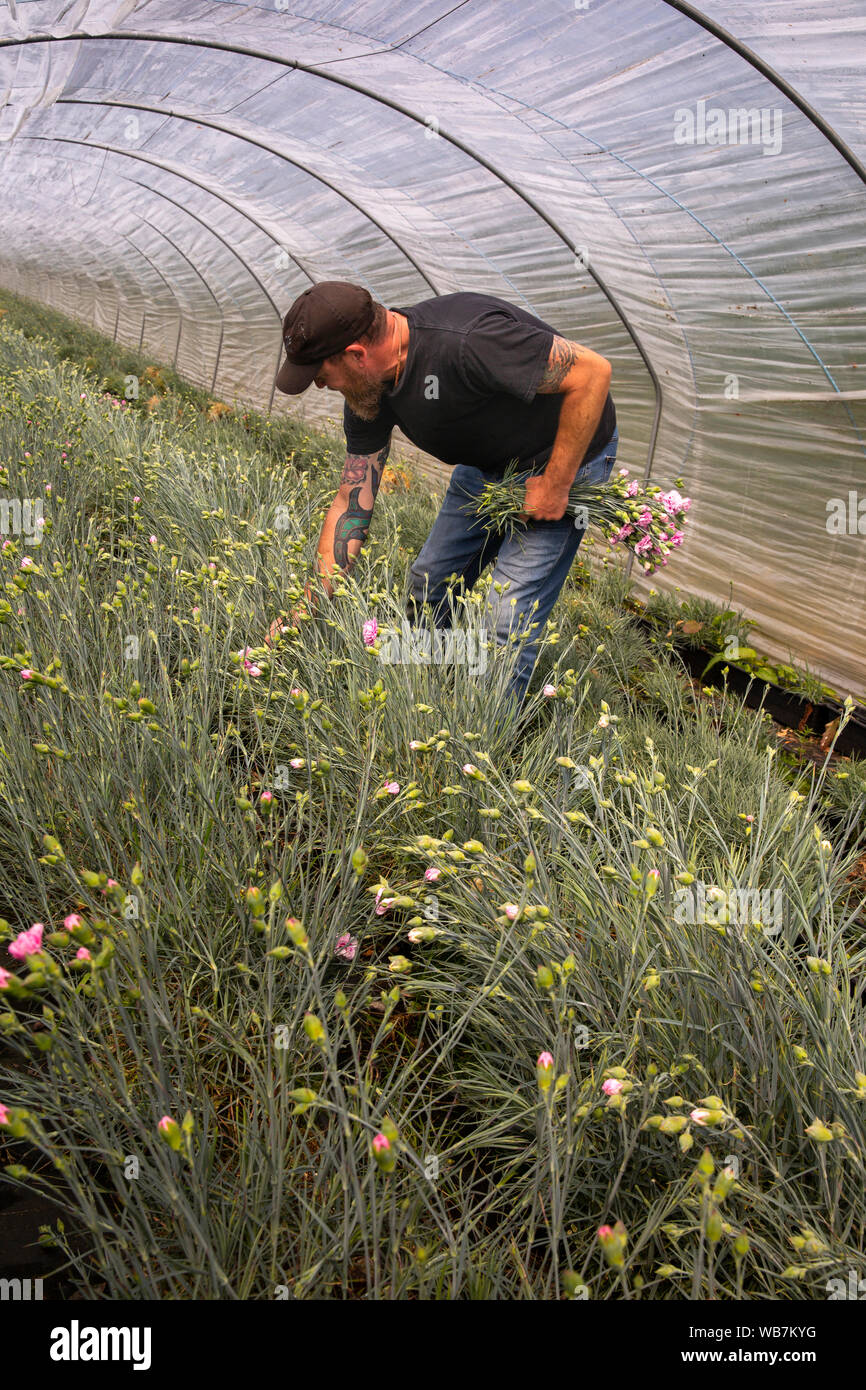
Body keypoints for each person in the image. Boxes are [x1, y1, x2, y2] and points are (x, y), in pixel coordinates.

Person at [268, 280, 617, 703]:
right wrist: (308, 604)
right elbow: (350, 503)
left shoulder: (467, 341)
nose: (323, 387)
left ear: (356, 355)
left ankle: (481, 742)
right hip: (489, 464)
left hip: (564, 456)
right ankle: (418, 704)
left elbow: (592, 372)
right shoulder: (369, 392)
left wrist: (556, 484)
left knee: (503, 617)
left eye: (322, 376)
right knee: (428, 585)